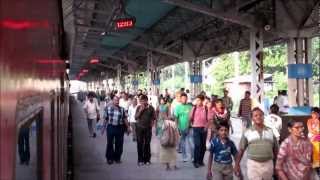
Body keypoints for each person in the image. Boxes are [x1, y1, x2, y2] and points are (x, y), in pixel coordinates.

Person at [235, 107, 279, 180]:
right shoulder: (247, 132)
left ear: (263, 117)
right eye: (255, 115)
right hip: (253, 165)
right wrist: (237, 165)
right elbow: (241, 150)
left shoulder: (270, 131)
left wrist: (277, 166)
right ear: (252, 118)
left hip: (268, 164)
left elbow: (276, 150)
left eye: (260, 115)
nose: (258, 117)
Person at [103, 96, 130, 165]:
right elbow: (105, 118)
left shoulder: (122, 109)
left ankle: (117, 158)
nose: (117, 102)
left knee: (119, 144)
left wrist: (128, 127)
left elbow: (125, 119)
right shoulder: (108, 109)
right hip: (111, 127)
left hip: (120, 128)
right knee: (110, 143)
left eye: (118, 100)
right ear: (112, 101)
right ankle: (109, 158)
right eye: (115, 100)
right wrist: (103, 128)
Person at [135, 94, 156, 166]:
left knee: (147, 144)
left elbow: (154, 118)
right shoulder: (138, 107)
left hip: (148, 129)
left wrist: (152, 124)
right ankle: (140, 159)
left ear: (147, 100)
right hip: (139, 128)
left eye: (144, 101)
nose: (143, 102)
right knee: (139, 143)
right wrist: (141, 110)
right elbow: (136, 117)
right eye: (141, 101)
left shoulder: (151, 108)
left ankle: (147, 159)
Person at [190, 94, 209, 168]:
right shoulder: (194, 108)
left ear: (202, 101)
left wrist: (206, 127)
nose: (197, 101)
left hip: (204, 128)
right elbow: (190, 117)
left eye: (199, 100)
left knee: (203, 146)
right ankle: (196, 161)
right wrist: (190, 125)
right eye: (196, 100)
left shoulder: (206, 108)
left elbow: (209, 119)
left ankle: (201, 161)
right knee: (197, 145)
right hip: (196, 128)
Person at [174, 93, 193, 162]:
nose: (184, 100)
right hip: (181, 128)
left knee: (191, 143)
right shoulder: (177, 107)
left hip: (190, 127)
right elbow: (176, 118)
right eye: (183, 98)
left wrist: (189, 124)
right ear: (180, 99)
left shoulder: (190, 107)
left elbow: (192, 117)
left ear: (187, 99)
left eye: (185, 98)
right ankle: (184, 157)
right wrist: (177, 128)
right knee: (183, 143)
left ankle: (192, 157)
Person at [307, 107, 320, 175]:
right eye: (312, 113)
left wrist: (315, 133)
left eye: (315, 113)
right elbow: (310, 130)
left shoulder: (318, 121)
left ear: (318, 114)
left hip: (317, 140)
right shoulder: (309, 120)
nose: (313, 115)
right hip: (311, 139)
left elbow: (318, 131)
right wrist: (315, 132)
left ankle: (317, 169)